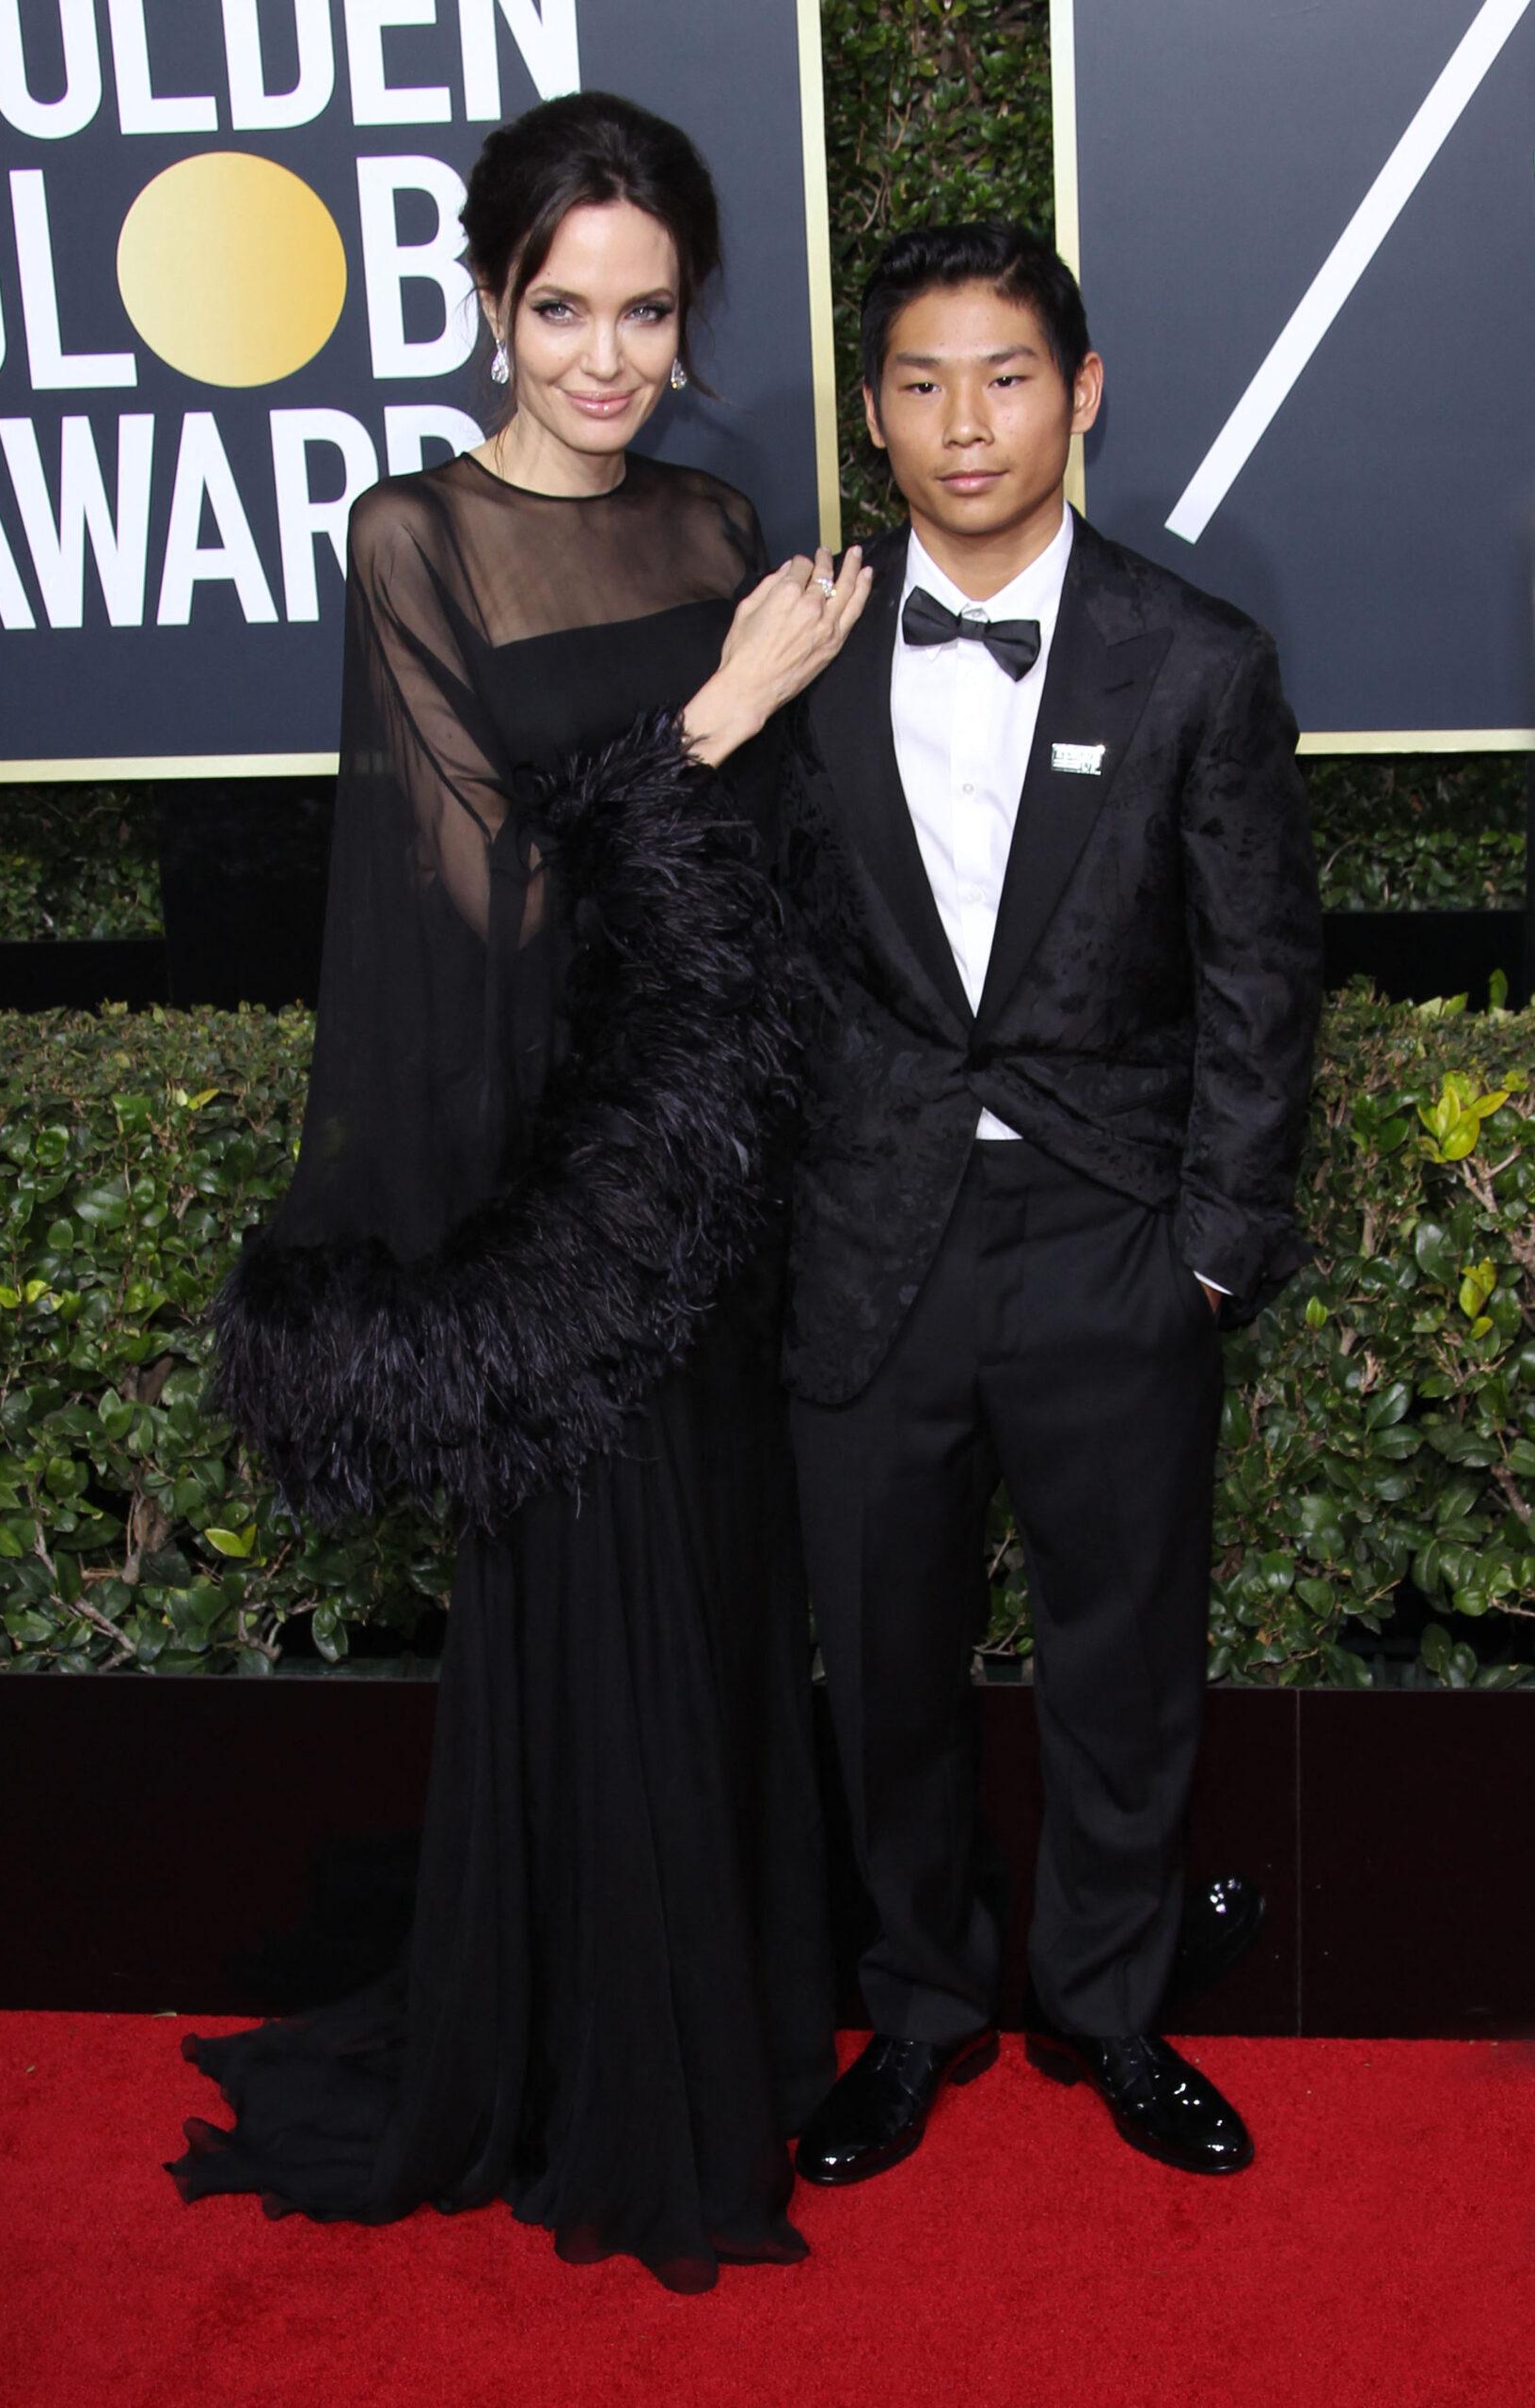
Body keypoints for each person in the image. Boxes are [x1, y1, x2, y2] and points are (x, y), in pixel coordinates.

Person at [167, 90, 873, 2294]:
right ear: (489, 299)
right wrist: (718, 723)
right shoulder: (420, 540)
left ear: (689, 315)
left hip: (721, 1186)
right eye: (561, 305)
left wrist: (737, 773)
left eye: (646, 308)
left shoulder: (713, 515)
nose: (604, 352)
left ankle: (735, 2015)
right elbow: (480, 912)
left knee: (734, 1607)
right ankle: (592, 2069)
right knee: (602, 1615)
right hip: (561, 1217)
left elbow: (759, 904)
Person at [778, 222, 1321, 2186]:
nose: (965, 421)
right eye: (921, 381)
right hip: (870, 1250)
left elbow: (1263, 977)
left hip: (1111, 1245)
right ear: (870, 413)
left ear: (1079, 391)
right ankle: (919, 2002)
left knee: (1122, 1658)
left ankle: (1109, 2000)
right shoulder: (802, 654)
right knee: (886, 1655)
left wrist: (1210, 1246)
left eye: (1007, 375)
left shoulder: (1196, 662)